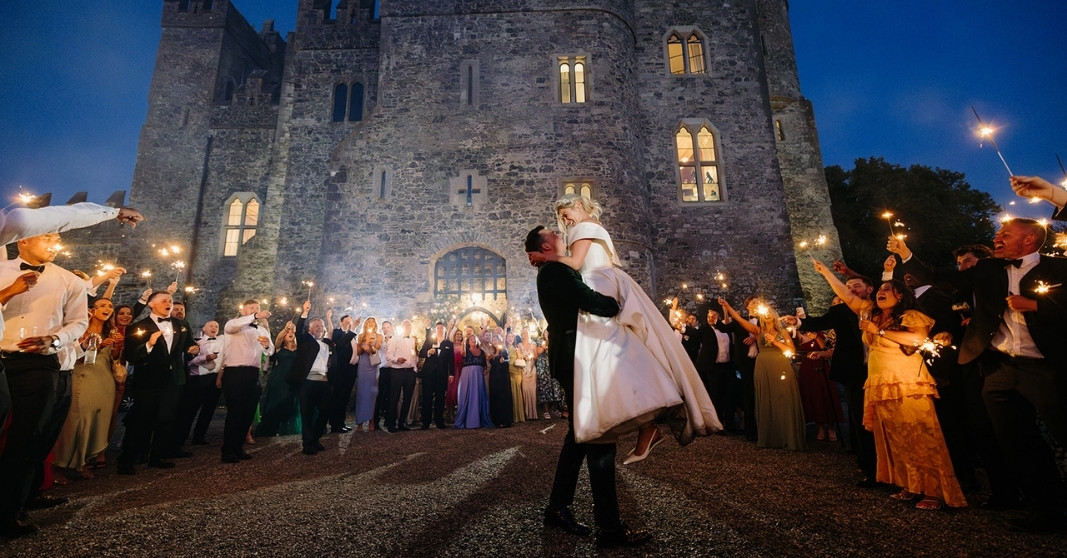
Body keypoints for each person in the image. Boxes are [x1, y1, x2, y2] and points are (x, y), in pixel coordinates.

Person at [893, 216, 1065, 530]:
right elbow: (940, 277)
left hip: (1044, 367)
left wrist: (1036, 306)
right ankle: (1044, 512)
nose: (997, 237)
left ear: (1028, 240)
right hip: (999, 367)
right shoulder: (987, 270)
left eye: (1005, 234)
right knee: (1016, 440)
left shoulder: (1058, 269)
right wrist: (907, 255)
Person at [529, 194, 721, 462]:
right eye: (561, 218)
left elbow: (574, 264)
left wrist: (544, 257)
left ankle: (629, 422)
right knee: (621, 354)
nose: (564, 221)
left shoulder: (582, 228)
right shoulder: (594, 226)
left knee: (605, 354)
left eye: (565, 214)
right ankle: (646, 425)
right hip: (607, 281)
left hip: (598, 285)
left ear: (578, 206)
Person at [526, 225, 650, 547]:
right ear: (545, 245)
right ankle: (609, 528)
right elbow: (587, 299)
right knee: (599, 432)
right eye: (552, 231)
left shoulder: (554, 267)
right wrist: (618, 304)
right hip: (574, 355)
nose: (558, 231)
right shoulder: (554, 270)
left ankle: (557, 507)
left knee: (581, 436)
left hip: (572, 353)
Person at [814, 260, 966, 510]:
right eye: (881, 288)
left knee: (919, 435)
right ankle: (909, 485)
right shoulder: (870, 313)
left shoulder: (911, 315)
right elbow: (846, 295)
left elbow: (917, 338)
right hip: (881, 383)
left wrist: (880, 332)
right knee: (895, 436)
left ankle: (934, 491)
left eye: (888, 289)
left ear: (901, 296)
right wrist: (826, 273)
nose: (882, 291)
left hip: (906, 382)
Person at [117, 291, 199, 474]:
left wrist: (194, 348)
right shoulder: (138, 326)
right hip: (148, 380)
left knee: (167, 419)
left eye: (170, 300)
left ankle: (158, 456)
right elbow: (131, 355)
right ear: (151, 305)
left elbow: (190, 344)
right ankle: (127, 459)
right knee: (140, 421)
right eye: (164, 301)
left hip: (173, 381)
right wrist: (149, 344)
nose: (168, 303)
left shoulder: (181, 324)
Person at [719, 298, 805, 451]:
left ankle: (788, 436)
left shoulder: (783, 331)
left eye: (769, 314)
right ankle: (771, 436)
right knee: (766, 399)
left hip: (779, 365)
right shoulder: (758, 331)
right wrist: (727, 306)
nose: (766, 316)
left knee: (783, 398)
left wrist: (775, 342)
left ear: (773, 315)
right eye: (764, 314)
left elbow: (791, 351)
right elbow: (738, 319)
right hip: (763, 366)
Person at [53, 297, 122, 480]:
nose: (107, 308)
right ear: (92, 309)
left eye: (110, 305)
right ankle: (59, 463)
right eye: (102, 305)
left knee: (97, 419)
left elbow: (113, 358)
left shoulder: (112, 330)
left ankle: (82, 462)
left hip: (104, 379)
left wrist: (117, 346)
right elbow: (75, 357)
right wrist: (97, 346)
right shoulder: (80, 329)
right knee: (76, 420)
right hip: (82, 377)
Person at [219, 300, 272, 463]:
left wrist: (266, 346)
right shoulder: (233, 325)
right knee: (236, 412)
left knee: (248, 413)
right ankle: (227, 450)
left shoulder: (261, 329)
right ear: (243, 311)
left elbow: (270, 351)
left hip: (253, 373)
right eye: (251, 308)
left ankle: (238, 447)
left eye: (257, 308)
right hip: (235, 372)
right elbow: (230, 327)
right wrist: (255, 316)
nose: (256, 311)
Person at [289, 301, 334, 455]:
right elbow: (298, 330)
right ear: (310, 329)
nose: (319, 328)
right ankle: (308, 443)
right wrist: (304, 312)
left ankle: (315, 438)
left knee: (326, 411)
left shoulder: (327, 343)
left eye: (321, 326)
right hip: (307, 382)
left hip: (323, 383)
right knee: (307, 414)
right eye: (316, 326)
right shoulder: (305, 340)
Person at [176, 320, 224, 447]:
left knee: (208, 410)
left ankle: (199, 436)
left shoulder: (222, 342)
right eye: (211, 326)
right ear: (204, 328)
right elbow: (189, 363)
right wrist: (205, 358)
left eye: (216, 326)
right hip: (198, 379)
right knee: (191, 410)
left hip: (215, 379)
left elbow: (223, 362)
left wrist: (219, 378)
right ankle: (181, 438)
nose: (214, 328)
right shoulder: (197, 343)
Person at [255, 321, 302, 437]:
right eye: (288, 333)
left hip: (293, 378)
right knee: (276, 401)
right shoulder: (279, 348)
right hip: (279, 378)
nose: (290, 333)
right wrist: (286, 328)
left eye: (292, 332)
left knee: (291, 401)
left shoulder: (299, 348)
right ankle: (270, 427)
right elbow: (278, 339)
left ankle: (287, 427)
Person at [325, 309, 359, 433]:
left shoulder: (353, 336)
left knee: (345, 398)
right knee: (337, 397)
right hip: (339, 370)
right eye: (347, 321)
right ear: (341, 323)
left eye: (351, 321)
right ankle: (335, 424)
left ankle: (341, 422)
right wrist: (353, 329)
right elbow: (340, 345)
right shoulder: (337, 333)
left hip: (350, 371)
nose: (349, 323)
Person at [418, 321, 454, 430]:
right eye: (438, 328)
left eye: (442, 328)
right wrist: (429, 352)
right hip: (428, 374)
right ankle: (426, 422)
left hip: (441, 374)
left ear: (445, 330)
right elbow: (421, 352)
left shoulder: (448, 344)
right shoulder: (430, 341)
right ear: (436, 330)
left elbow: (451, 361)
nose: (440, 330)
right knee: (427, 397)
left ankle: (439, 421)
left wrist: (451, 374)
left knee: (440, 398)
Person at [385, 319, 418, 432]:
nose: (408, 327)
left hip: (409, 372)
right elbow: (388, 355)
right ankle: (391, 424)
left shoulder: (412, 340)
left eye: (409, 326)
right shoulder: (394, 339)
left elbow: (413, 355)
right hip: (397, 371)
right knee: (394, 398)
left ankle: (402, 423)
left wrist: (414, 368)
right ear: (401, 327)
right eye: (405, 325)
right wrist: (396, 359)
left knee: (407, 398)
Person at [453, 335, 492, 429]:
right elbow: (462, 354)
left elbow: (485, 363)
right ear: (468, 342)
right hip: (468, 374)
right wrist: (462, 345)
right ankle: (468, 420)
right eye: (471, 339)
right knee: (468, 395)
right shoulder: (465, 351)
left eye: (475, 339)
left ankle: (478, 420)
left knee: (478, 395)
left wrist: (485, 369)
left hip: (478, 375)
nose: (473, 340)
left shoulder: (482, 351)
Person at [351, 317, 383, 432]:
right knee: (361, 393)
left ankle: (371, 420)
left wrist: (370, 345)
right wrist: (362, 345)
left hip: (373, 365)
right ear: (365, 324)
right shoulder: (360, 336)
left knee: (372, 393)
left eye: (373, 321)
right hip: (363, 365)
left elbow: (376, 350)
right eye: (369, 321)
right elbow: (359, 353)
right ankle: (360, 422)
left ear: (375, 324)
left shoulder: (378, 336)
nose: (371, 323)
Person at [487, 335, 514, 427]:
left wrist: (504, 360)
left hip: (502, 377)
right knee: (495, 396)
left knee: (503, 397)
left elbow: (508, 361)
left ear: (500, 340)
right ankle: (496, 420)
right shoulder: (492, 352)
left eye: (496, 339)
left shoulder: (504, 350)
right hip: (494, 377)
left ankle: (505, 420)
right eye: (493, 339)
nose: (495, 341)